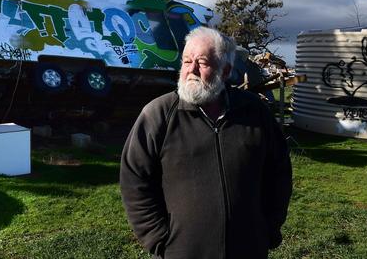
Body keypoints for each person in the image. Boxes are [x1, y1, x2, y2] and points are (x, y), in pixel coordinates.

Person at [120, 27, 292, 259]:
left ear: (226, 71)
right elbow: (134, 179)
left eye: (202, 62)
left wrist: (268, 228)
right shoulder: (159, 114)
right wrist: (159, 238)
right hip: (183, 251)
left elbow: (279, 172)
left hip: (249, 248)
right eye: (186, 61)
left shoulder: (254, 112)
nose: (191, 70)